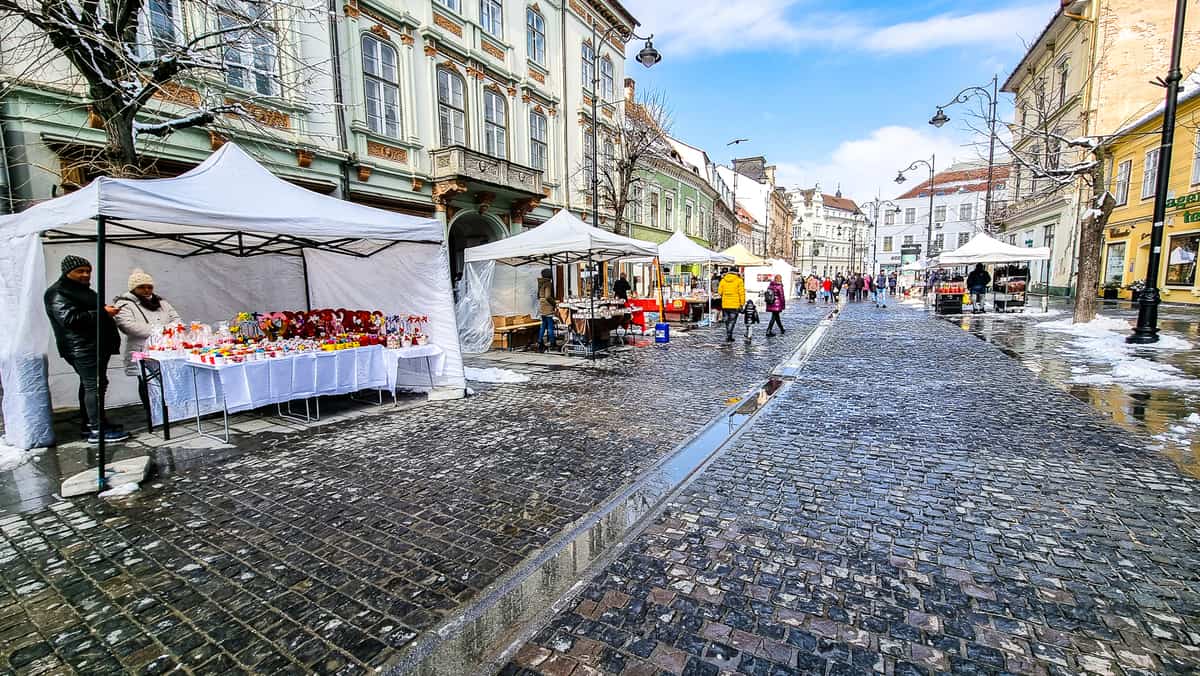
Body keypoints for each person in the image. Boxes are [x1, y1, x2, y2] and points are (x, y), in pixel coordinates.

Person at [44, 255, 129, 444]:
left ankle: (93, 423)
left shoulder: (80, 290)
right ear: (67, 272)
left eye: (88, 271)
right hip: (82, 348)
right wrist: (102, 312)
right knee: (94, 385)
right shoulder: (58, 292)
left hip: (94, 345)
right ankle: (97, 430)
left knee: (93, 384)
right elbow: (70, 320)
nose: (85, 274)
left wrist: (103, 309)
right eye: (80, 271)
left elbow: (86, 311)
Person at [114, 269, 182, 414]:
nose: (146, 290)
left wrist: (168, 329)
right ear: (133, 288)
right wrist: (162, 330)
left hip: (167, 348)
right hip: (141, 349)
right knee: (146, 381)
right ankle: (151, 412)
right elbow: (128, 326)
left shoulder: (162, 302)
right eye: (141, 287)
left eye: (149, 287)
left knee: (168, 378)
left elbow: (177, 320)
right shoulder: (124, 304)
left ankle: (170, 410)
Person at [717, 268, 745, 342]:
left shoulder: (723, 280)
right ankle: (729, 335)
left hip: (725, 304)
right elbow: (741, 293)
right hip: (735, 304)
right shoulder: (739, 280)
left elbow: (719, 292)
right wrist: (742, 303)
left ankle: (728, 334)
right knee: (732, 321)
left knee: (727, 320)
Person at [537, 268, 558, 351]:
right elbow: (548, 296)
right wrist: (554, 303)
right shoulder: (548, 283)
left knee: (543, 325)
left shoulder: (540, 283)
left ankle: (539, 341)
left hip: (542, 306)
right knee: (550, 326)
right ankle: (552, 342)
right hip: (548, 307)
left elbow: (538, 295)